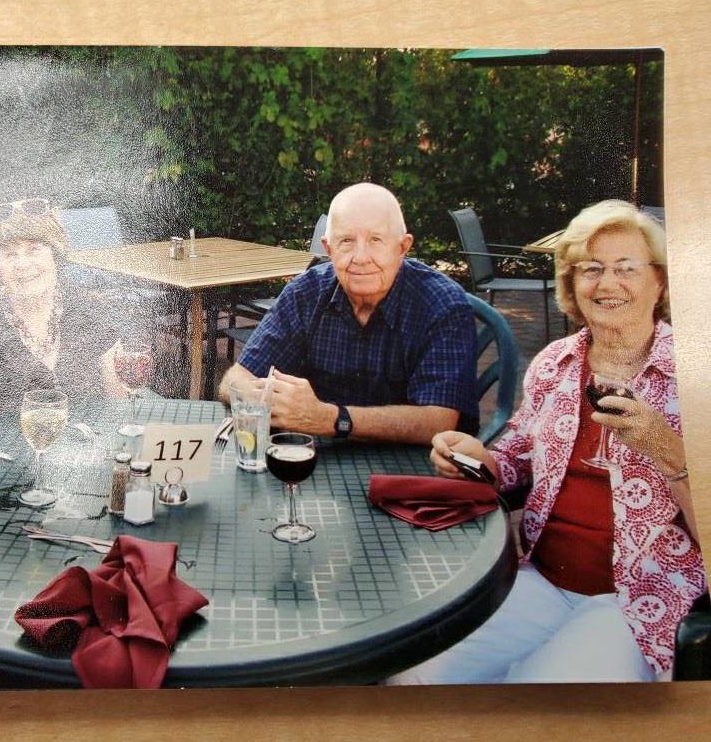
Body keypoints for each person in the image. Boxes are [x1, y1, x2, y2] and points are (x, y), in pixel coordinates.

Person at [388, 200, 704, 684]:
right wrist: (482, 459)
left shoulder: (695, 379)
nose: (607, 284)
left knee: (534, 700)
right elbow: (518, 454)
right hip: (540, 577)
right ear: (573, 287)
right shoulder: (557, 361)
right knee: (414, 678)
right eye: (591, 270)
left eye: (627, 269)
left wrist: (669, 452)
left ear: (659, 281)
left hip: (636, 600)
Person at [219, 182, 478, 444]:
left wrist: (331, 418)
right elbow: (235, 378)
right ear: (328, 248)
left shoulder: (442, 304)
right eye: (346, 241)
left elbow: (440, 421)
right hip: (316, 459)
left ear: (402, 247)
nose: (361, 257)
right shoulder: (305, 294)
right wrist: (261, 400)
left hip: (412, 466)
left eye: (376, 240)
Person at [0, 198, 129, 417]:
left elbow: (117, 401)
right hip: (12, 448)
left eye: (34, 249)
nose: (22, 264)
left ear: (55, 255)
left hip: (90, 443)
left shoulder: (93, 310)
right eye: (9, 254)